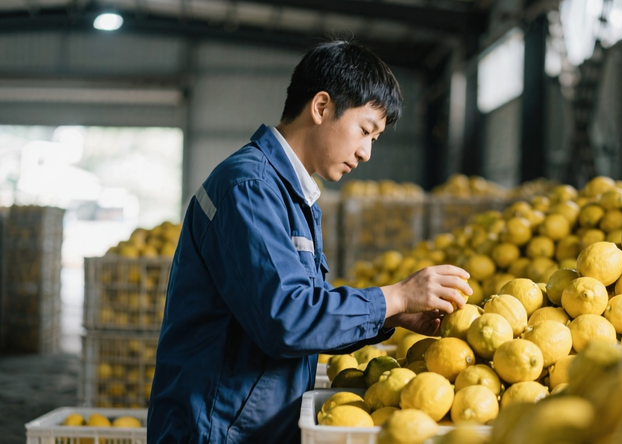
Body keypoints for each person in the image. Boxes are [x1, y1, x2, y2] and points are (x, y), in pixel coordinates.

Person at [146, 40, 473, 443]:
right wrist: (397, 296)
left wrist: (388, 316)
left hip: (249, 426)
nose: (367, 152)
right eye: (365, 131)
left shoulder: (290, 194)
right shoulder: (249, 188)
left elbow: (302, 309)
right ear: (321, 107)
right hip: (216, 430)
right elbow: (286, 318)